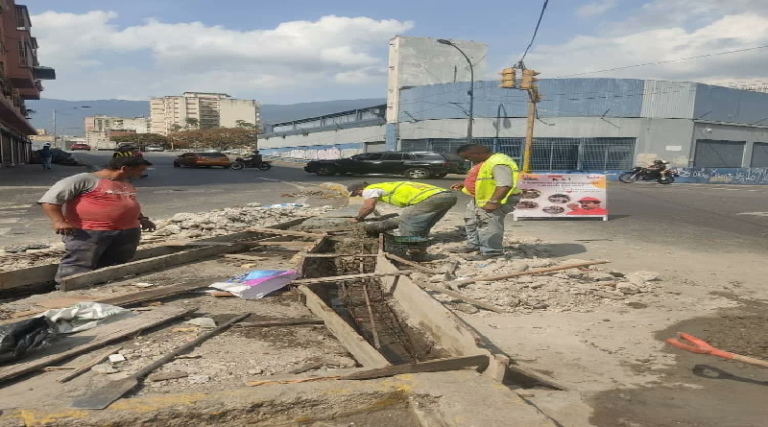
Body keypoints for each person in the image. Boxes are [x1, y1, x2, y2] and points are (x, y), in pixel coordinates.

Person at [38, 156, 156, 283]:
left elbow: (128, 203)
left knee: (116, 264)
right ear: (124, 168)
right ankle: (71, 292)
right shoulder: (84, 180)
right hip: (89, 232)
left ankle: (104, 287)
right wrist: (59, 221)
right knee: (79, 264)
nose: (140, 175)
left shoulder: (125, 183)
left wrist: (142, 219)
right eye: (139, 171)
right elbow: (49, 201)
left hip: (127, 232)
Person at [347, 181, 458, 259]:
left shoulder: (369, 190)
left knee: (407, 223)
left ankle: (418, 255)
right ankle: (420, 243)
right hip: (447, 196)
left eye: (357, 194)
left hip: (432, 198)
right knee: (423, 224)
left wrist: (358, 218)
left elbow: (368, 207)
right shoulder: (384, 186)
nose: (360, 196)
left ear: (359, 189)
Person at [450, 144, 521, 261]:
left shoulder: (498, 162)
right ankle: (474, 245)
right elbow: (484, 179)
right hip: (482, 199)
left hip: (496, 200)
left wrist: (494, 201)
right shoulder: (487, 162)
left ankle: (492, 252)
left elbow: (504, 184)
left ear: (477, 153)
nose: (468, 160)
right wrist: (465, 185)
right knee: (471, 221)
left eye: (468, 157)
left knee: (488, 224)